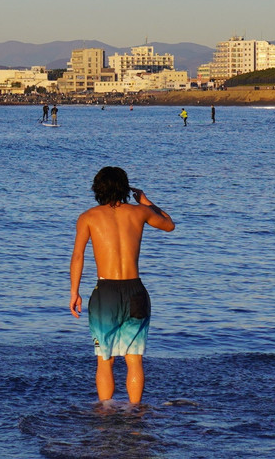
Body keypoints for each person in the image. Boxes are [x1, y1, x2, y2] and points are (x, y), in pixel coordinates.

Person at [69, 167, 175, 404]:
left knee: (105, 360)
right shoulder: (140, 213)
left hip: (105, 293)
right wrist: (148, 202)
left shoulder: (88, 217)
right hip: (135, 290)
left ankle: (106, 413)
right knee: (134, 358)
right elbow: (169, 225)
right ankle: (135, 414)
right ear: (125, 188)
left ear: (98, 189)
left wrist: (74, 291)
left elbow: (78, 256)